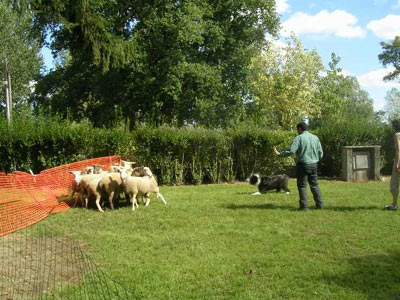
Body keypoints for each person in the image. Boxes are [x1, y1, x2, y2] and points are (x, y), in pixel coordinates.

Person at [274, 122, 323, 210]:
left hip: (303, 165)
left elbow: (292, 151)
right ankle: (320, 205)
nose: (297, 131)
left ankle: (304, 207)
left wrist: (280, 154)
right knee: (315, 185)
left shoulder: (299, 138)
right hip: (314, 164)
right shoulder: (315, 138)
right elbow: (320, 153)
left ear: (300, 129)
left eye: (297, 129)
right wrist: (315, 160)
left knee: (302, 186)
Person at [386, 119, 400, 210]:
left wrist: (398, 163)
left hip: (399, 161)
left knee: (393, 185)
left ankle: (394, 205)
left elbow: (399, 150)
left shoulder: (397, 135)